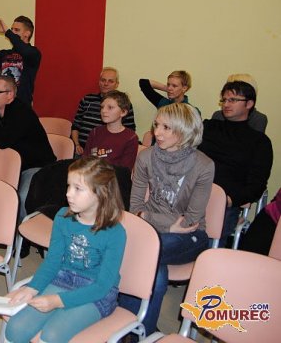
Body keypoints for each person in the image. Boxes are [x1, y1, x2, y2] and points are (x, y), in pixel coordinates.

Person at [5, 156, 126, 343]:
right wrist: (32, 288)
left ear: (101, 192)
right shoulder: (62, 217)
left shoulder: (115, 233)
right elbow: (52, 262)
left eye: (78, 188)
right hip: (63, 279)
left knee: (52, 336)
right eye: (69, 186)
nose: (69, 194)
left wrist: (56, 301)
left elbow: (102, 287)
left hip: (95, 293)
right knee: (15, 329)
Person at [120, 103, 214, 335]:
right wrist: (163, 223)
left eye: (166, 128)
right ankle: (142, 332)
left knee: (140, 252)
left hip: (190, 236)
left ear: (185, 131)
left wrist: (147, 217)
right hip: (152, 230)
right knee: (156, 272)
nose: (157, 133)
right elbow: (135, 208)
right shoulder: (146, 157)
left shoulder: (203, 165)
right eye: (156, 125)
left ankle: (123, 327)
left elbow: (191, 220)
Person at [0, 75, 55, 221]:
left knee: (21, 198)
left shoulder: (22, 112)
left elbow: (3, 140)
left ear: (10, 95)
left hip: (36, 167)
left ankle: (19, 233)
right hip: (12, 164)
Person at [198, 81, 273, 241]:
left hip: (223, 203)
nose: (226, 104)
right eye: (224, 100)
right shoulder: (208, 127)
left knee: (203, 239)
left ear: (249, 104)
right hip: (190, 194)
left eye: (232, 100)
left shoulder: (259, 142)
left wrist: (229, 200)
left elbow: (257, 185)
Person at [0, 16, 41, 105]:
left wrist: (7, 32)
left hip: (21, 105)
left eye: (16, 30)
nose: (12, 32)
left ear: (27, 34)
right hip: (1, 104)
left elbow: (24, 50)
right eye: (12, 29)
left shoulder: (33, 53)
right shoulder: (4, 54)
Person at [71, 67, 136, 152]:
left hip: (106, 151)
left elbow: (129, 130)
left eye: (110, 81)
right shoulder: (87, 99)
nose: (106, 84)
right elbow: (76, 125)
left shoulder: (123, 104)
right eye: (103, 80)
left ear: (117, 84)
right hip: (80, 149)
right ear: (99, 82)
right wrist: (76, 145)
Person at [83, 90, 138, 171]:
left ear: (123, 112)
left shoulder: (131, 138)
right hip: (90, 175)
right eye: (102, 107)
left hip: (113, 177)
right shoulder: (95, 132)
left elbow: (124, 171)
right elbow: (85, 160)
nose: (103, 111)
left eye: (110, 107)